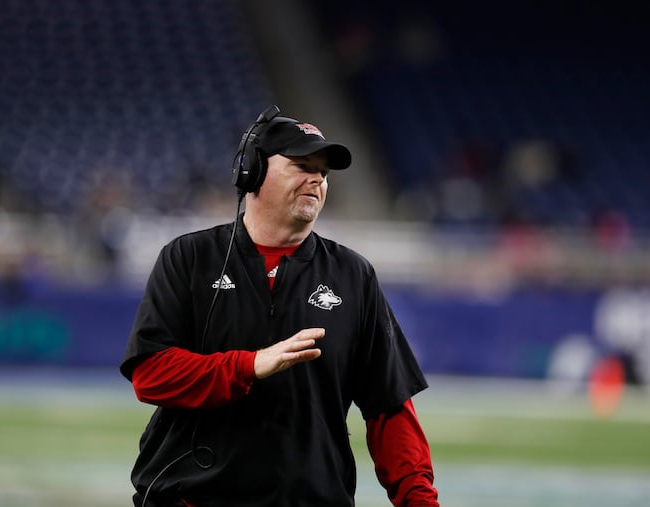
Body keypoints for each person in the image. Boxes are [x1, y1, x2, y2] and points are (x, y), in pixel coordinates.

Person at [120, 105, 439, 507]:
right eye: (302, 165)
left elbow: (390, 409)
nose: (317, 180)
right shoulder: (189, 258)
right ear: (251, 172)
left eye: (323, 172)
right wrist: (249, 365)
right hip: (193, 498)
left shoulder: (353, 275)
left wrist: (420, 502)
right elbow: (150, 375)